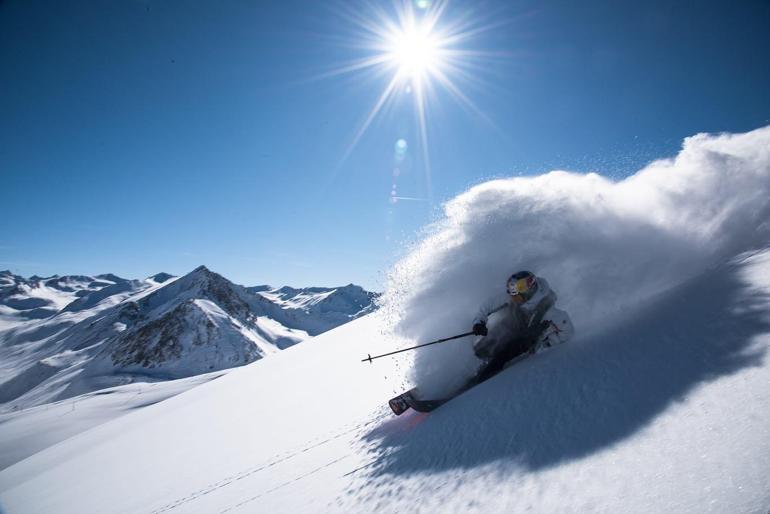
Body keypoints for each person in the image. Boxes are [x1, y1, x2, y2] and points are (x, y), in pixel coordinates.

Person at [470, 270, 573, 383]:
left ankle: (480, 381)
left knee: (501, 357)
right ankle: (472, 368)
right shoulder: (515, 295)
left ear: (529, 292)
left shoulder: (549, 312)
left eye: (516, 296)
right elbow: (487, 306)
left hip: (526, 340)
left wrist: (543, 345)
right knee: (485, 345)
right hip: (509, 326)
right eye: (511, 294)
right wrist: (479, 323)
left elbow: (567, 332)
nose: (512, 298)